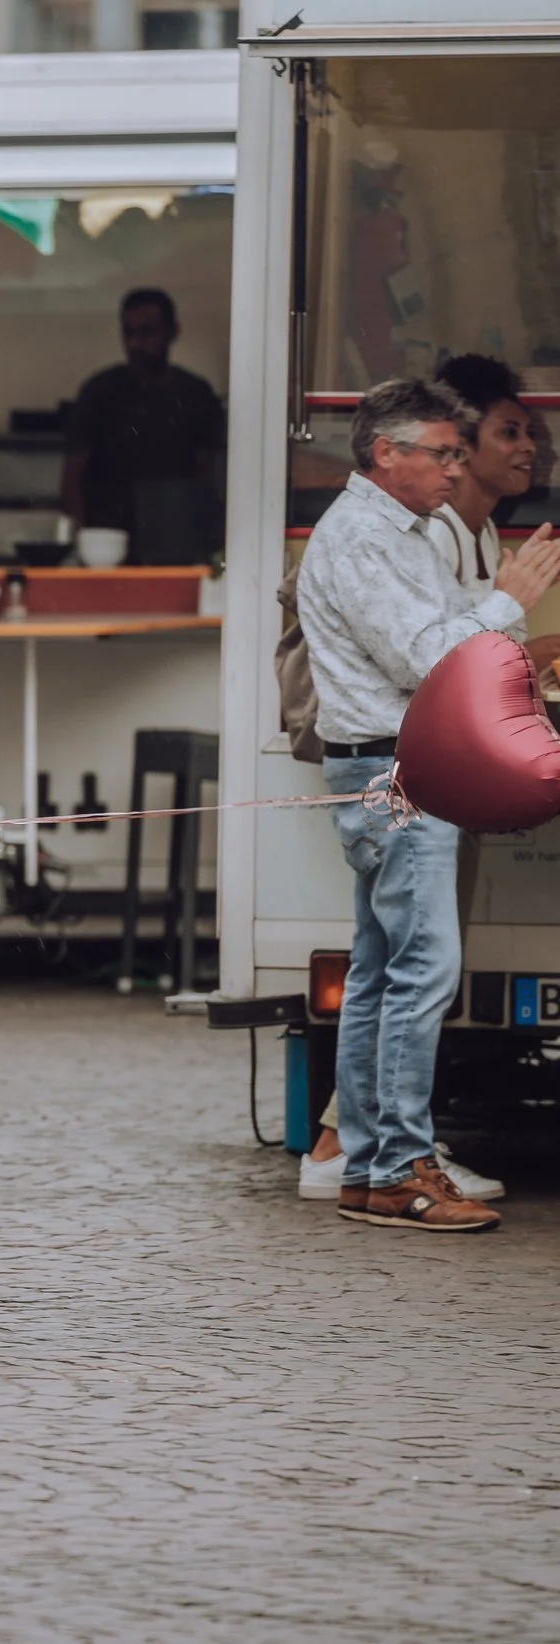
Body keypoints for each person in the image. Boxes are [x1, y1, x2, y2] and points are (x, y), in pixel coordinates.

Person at [296, 376, 560, 1232]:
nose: (456, 470)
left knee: (382, 968)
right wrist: (508, 601)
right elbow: (430, 660)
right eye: (443, 453)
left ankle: (373, 1166)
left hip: (390, 767)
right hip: (393, 772)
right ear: (387, 453)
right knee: (421, 969)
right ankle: (403, 1166)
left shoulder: (396, 533)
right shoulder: (367, 537)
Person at [60, 288, 225, 563]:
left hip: (176, 537)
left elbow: (207, 477)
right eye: (129, 333)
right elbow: (72, 477)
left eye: (148, 332)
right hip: (107, 541)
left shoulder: (194, 394)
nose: (137, 343)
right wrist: (81, 542)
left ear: (173, 332)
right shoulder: (100, 391)